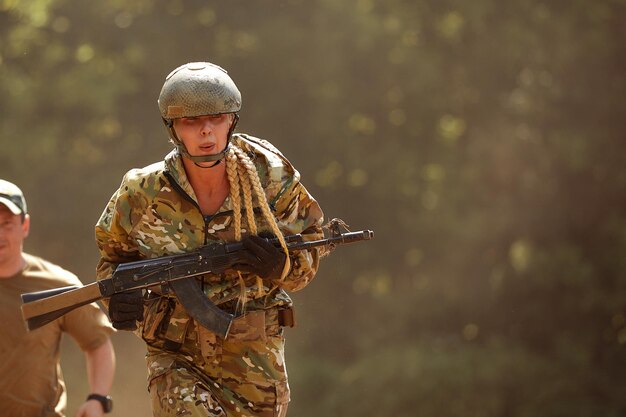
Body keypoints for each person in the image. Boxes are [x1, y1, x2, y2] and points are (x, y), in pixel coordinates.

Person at [95, 61, 325, 417]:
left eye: (216, 118)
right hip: (175, 357)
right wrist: (117, 298)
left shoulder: (270, 178)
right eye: (191, 121)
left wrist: (281, 265)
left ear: (232, 120)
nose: (206, 132)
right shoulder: (142, 192)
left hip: (255, 357)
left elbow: (312, 245)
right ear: (173, 129)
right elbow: (112, 259)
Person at [0, 179, 116, 417]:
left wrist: (97, 398)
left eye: (6, 224)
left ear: (25, 225)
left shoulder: (55, 285)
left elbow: (97, 342)